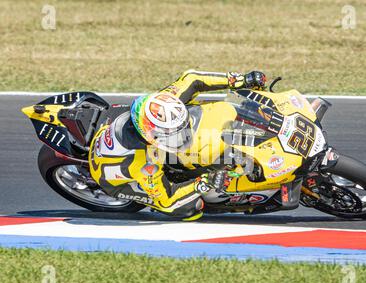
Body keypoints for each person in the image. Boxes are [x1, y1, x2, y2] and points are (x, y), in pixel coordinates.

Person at [89, 70, 267, 221]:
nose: (182, 135)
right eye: (174, 134)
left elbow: (192, 78)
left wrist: (240, 80)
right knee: (189, 210)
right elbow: (168, 200)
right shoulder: (144, 165)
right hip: (118, 181)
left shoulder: (164, 103)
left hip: (116, 125)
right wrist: (204, 182)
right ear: (152, 135)